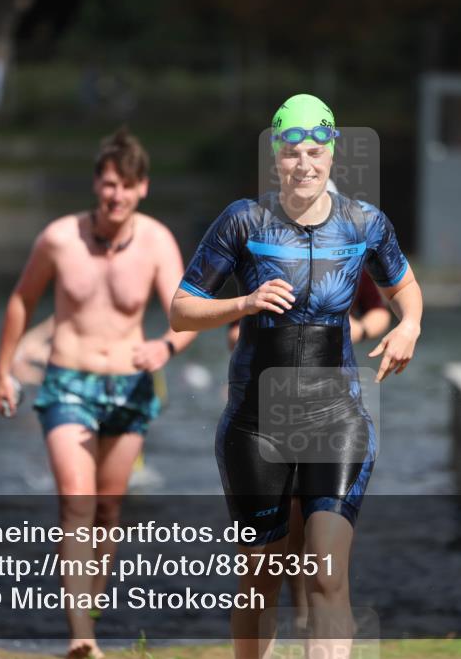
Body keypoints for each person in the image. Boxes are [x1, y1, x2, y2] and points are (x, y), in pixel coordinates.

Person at [170, 93, 422, 658]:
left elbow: (404, 287)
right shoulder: (244, 221)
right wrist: (245, 303)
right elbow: (180, 310)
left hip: (337, 417)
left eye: (315, 151)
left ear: (333, 153)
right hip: (256, 425)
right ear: (275, 158)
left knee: (325, 572)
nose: (304, 164)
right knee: (261, 578)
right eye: (291, 153)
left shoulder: (363, 223)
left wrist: (411, 326)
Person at [0, 128, 196, 659]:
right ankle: (80, 635)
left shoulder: (156, 242)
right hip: (68, 382)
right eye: (108, 184)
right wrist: (2, 370)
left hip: (130, 386)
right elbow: (22, 299)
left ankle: (91, 615)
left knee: (108, 508)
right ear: (96, 185)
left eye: (126, 186)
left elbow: (189, 311)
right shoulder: (60, 238)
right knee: (76, 503)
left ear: (142, 189)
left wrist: (166, 349)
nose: (116, 196)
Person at [226, 268, 391, 633]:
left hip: (331, 404)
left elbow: (379, 311)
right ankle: (300, 610)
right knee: (283, 527)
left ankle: (311, 613)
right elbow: (235, 331)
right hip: (268, 402)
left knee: (316, 521)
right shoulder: (267, 260)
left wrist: (356, 329)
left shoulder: (347, 259)